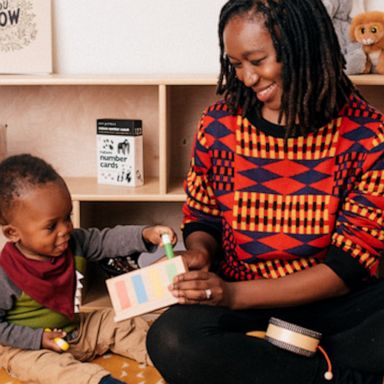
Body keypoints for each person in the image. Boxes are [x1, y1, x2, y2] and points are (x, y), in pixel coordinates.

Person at [146, 0, 384, 383]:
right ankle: (337, 374)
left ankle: (285, 365)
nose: (247, 78)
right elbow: (203, 215)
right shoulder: (219, 123)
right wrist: (201, 253)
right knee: (171, 338)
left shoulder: (368, 135)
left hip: (335, 306)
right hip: (243, 299)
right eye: (236, 64)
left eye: (257, 60)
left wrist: (230, 295)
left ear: (304, 48)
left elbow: (346, 268)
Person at [0, 153, 177, 384]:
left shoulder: (74, 242)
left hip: (77, 329)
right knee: (53, 370)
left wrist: (145, 234)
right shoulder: (6, 274)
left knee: (120, 321)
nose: (65, 229)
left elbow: (107, 240)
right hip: (29, 347)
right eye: (51, 226)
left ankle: (172, 358)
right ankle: (101, 381)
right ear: (13, 233)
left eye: (67, 217)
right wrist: (37, 339)